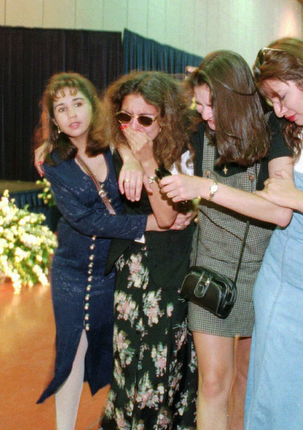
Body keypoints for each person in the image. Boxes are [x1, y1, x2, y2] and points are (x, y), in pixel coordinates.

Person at [157, 51, 293, 430]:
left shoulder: (273, 134)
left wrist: (206, 187)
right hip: (209, 270)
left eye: (209, 104)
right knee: (214, 381)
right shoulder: (200, 131)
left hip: (261, 274)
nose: (202, 114)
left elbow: (279, 211)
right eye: (197, 104)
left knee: (246, 381)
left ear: (235, 96)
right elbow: (143, 124)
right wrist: (132, 159)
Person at [34, 72, 170, 430]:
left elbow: (136, 149)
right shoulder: (53, 162)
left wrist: (131, 160)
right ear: (54, 119)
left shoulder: (115, 144)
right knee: (71, 353)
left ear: (92, 105)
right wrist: (149, 225)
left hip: (113, 270)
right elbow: (87, 220)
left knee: (116, 351)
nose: (72, 114)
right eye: (61, 109)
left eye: (78, 102)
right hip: (71, 273)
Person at [98, 71, 198, 430]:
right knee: (127, 361)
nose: (133, 126)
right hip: (131, 269)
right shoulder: (118, 145)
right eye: (125, 117)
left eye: (145, 119)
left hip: (169, 270)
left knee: (162, 366)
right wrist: (129, 156)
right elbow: (73, 136)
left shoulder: (185, 151)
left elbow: (166, 215)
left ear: (166, 117)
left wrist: (147, 161)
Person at [244, 38, 303, 430]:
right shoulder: (293, 129)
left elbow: (289, 199)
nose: (279, 110)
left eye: (281, 96)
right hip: (278, 278)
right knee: (268, 398)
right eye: (271, 102)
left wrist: (294, 197)